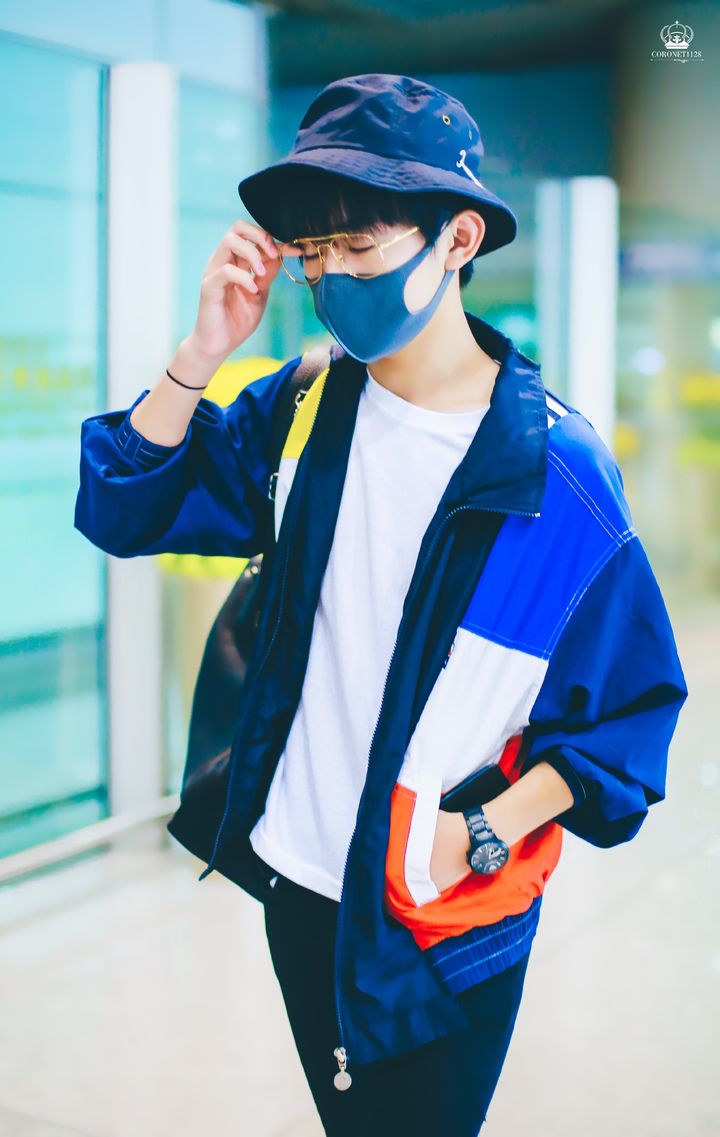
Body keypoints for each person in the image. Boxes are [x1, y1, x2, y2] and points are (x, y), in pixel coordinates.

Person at [74, 74, 689, 1136]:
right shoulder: (305, 405)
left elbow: (628, 721)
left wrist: (481, 832)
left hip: (438, 910)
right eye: (314, 251)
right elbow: (128, 505)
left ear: (457, 238)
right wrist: (203, 352)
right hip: (297, 879)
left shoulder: (556, 473)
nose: (330, 277)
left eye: (358, 246)